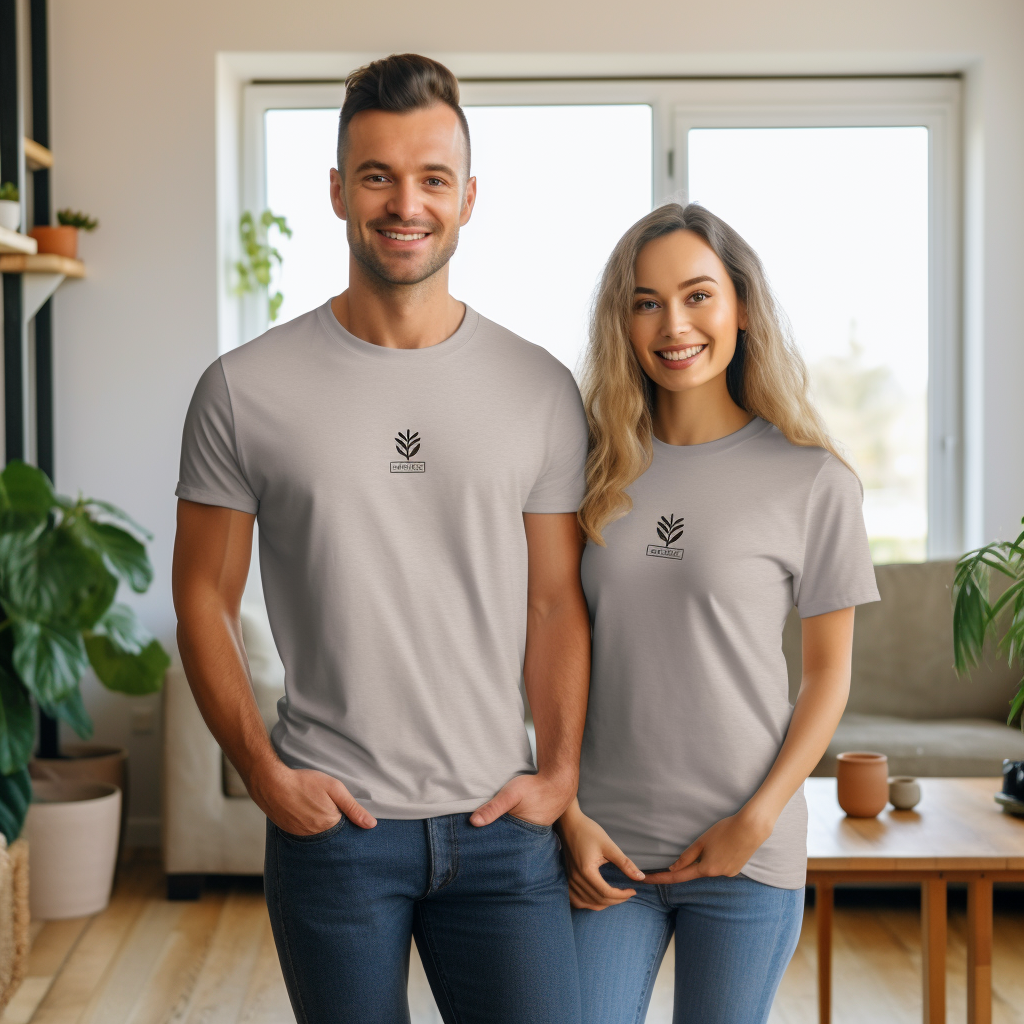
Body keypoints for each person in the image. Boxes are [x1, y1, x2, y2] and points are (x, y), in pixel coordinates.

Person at [172, 54, 589, 1024]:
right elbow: (202, 595)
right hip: (334, 833)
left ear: (469, 197)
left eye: (432, 178)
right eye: (378, 176)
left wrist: (560, 769)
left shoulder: (537, 388)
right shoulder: (244, 388)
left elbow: (553, 598)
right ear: (336, 190)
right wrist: (260, 771)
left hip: (499, 829)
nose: (407, 203)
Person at [558, 203, 880, 1024]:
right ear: (622, 323)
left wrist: (758, 817)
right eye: (645, 302)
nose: (674, 324)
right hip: (607, 847)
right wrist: (569, 814)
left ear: (740, 305)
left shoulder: (814, 481)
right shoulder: (586, 470)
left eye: (698, 295)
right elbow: (548, 647)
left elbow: (827, 676)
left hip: (746, 849)